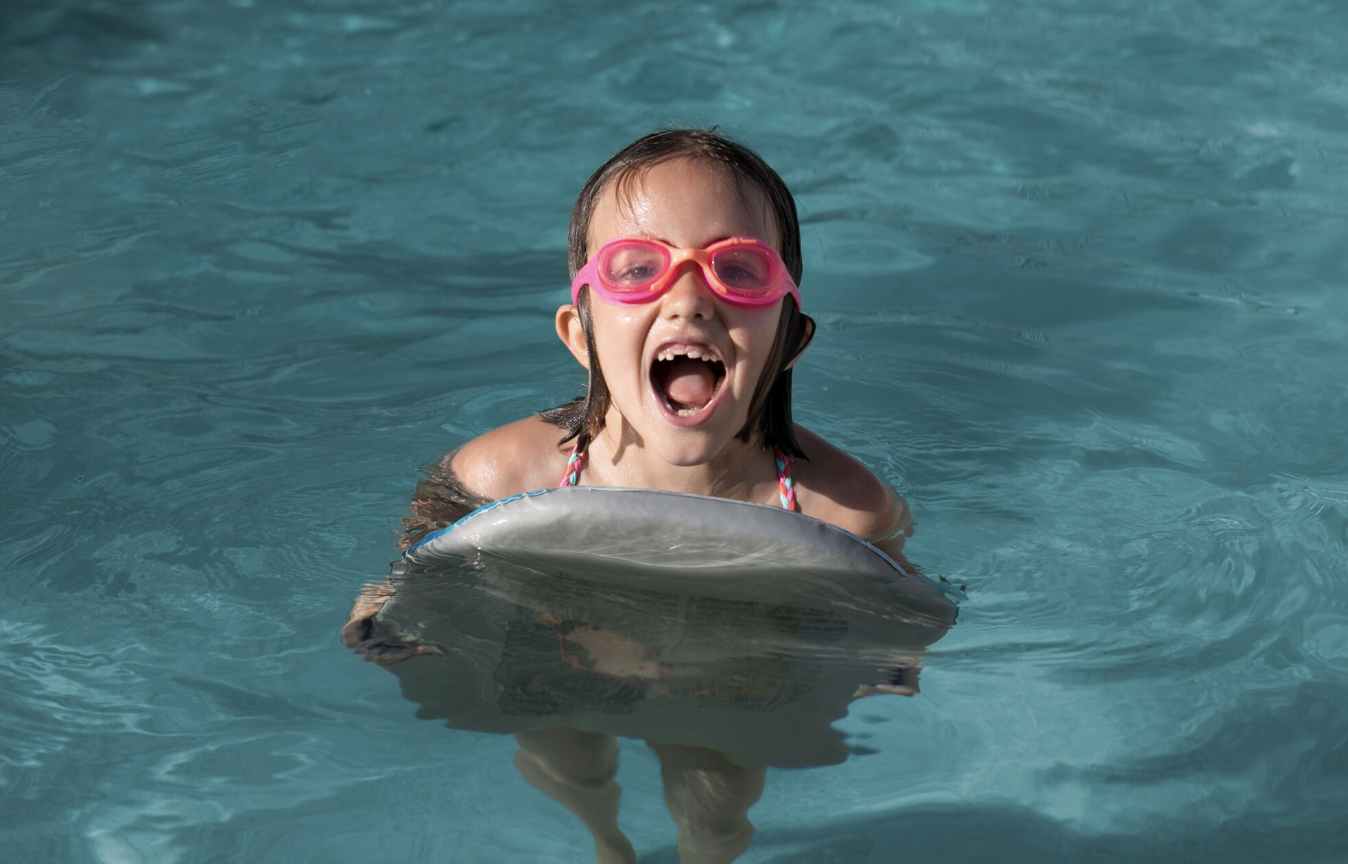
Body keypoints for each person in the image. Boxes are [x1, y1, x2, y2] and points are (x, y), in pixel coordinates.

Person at [344, 128, 919, 864]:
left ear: (791, 338)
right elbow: (427, 541)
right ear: (579, 336)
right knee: (565, 756)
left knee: (719, 806)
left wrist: (892, 658)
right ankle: (602, 841)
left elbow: (894, 603)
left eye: (737, 271)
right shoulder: (504, 472)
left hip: (731, 672)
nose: (688, 301)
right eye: (638, 268)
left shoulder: (843, 509)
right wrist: (386, 603)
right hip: (557, 645)